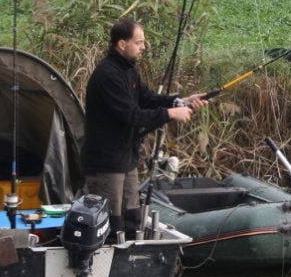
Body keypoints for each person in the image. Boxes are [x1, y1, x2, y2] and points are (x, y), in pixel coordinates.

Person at [80, 18, 207, 239]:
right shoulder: (108, 75)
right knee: (111, 219)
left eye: (143, 42)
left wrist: (181, 101)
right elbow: (133, 115)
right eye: (138, 42)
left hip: (126, 158)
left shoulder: (129, 70)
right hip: (106, 163)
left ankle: (131, 254)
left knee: (131, 214)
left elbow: (147, 99)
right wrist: (170, 114)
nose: (144, 47)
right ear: (122, 44)